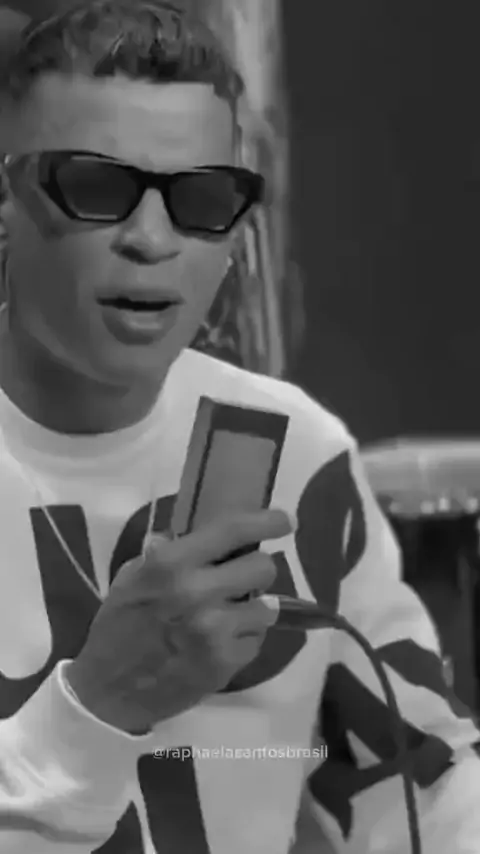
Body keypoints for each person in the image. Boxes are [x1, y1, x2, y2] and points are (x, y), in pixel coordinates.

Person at [0, 3, 479, 853]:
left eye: (201, 200)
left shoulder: (296, 450)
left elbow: (420, 780)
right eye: (96, 188)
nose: (152, 239)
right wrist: (97, 709)